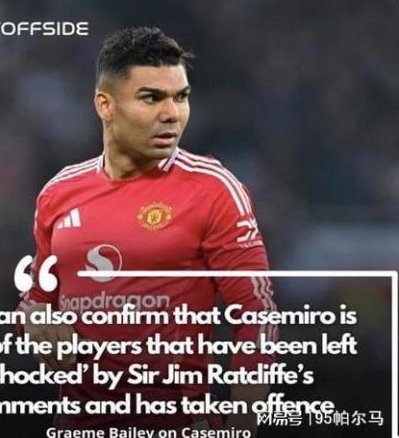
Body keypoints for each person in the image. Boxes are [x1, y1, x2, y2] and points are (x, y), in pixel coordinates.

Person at [18, 26, 276, 435]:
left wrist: (242, 426)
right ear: (105, 105)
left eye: (181, 97)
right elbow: (36, 302)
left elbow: (256, 314)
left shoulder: (212, 189)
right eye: (151, 98)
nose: (172, 113)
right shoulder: (58, 193)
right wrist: (35, 320)